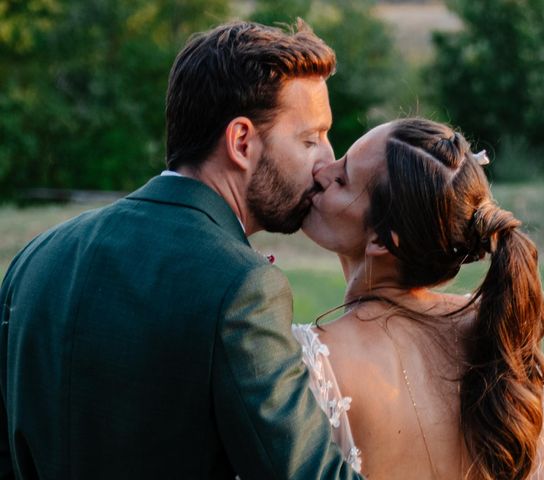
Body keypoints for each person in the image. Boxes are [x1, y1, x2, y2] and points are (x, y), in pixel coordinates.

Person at [0, 20, 364, 480]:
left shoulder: (34, 257)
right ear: (241, 142)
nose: (327, 161)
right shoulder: (242, 288)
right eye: (310, 139)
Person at [293, 118, 544, 479]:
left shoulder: (316, 362)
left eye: (342, 178)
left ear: (382, 239)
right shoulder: (497, 339)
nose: (320, 171)